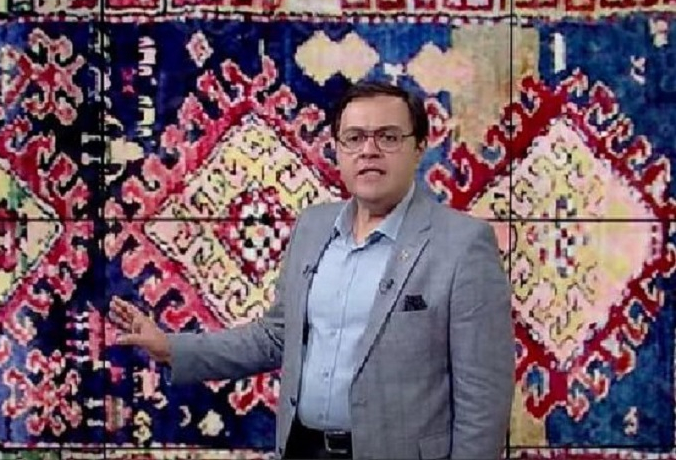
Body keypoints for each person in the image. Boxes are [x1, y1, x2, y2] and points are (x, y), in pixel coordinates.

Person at [109, 80, 515, 460]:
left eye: (388, 137)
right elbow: (276, 336)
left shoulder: (463, 244)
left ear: (420, 147)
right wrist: (172, 348)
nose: (369, 151)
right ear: (337, 149)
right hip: (303, 448)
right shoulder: (313, 227)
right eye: (354, 138)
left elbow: (484, 396)